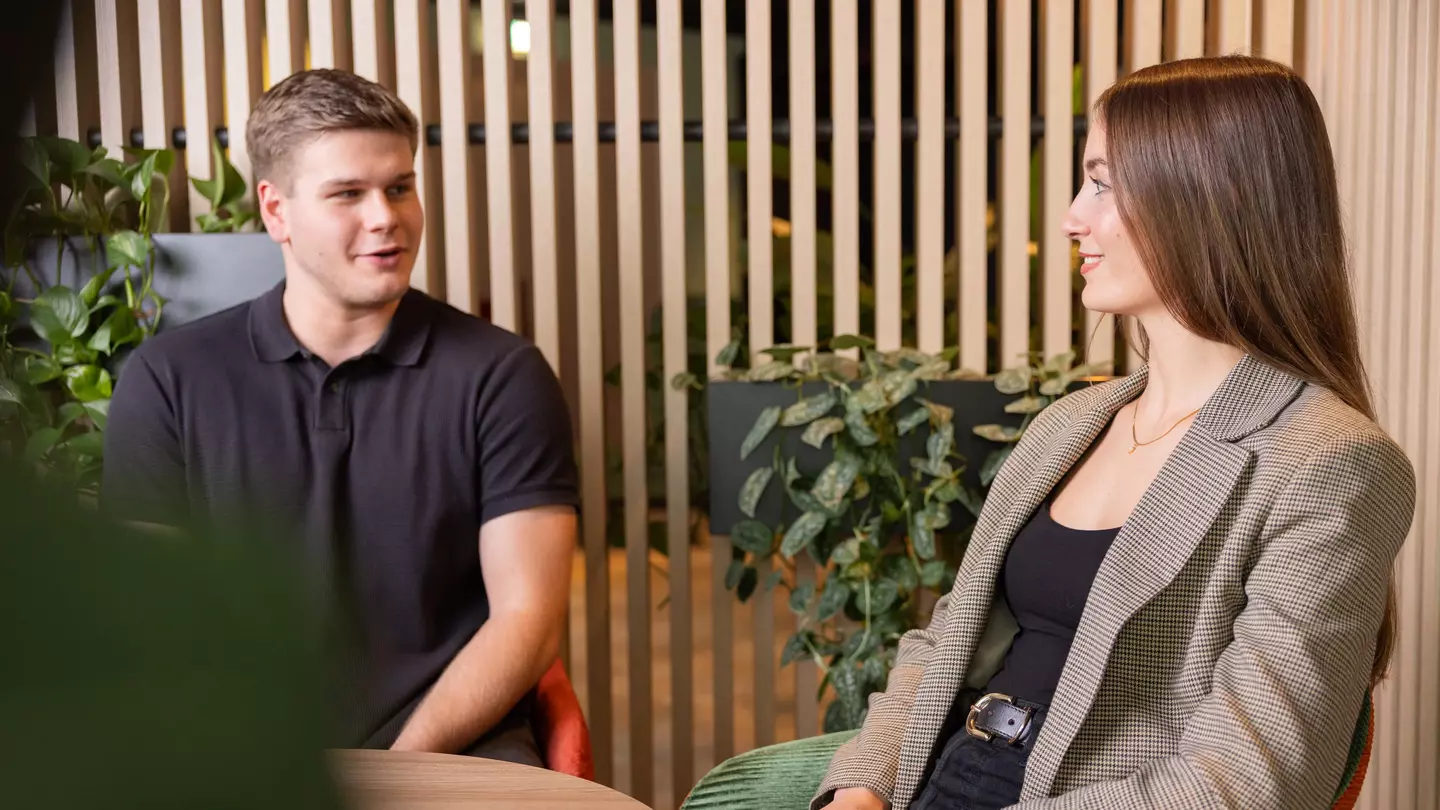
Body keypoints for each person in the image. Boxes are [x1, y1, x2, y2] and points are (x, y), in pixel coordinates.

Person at [817, 55, 1416, 810]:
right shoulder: (1071, 423)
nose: (1072, 216)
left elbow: (1248, 783)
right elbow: (945, 640)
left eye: (1102, 183)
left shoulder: (1330, 461)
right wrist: (862, 788)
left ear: (1211, 196)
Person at [101, 69, 579, 767]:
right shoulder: (168, 379)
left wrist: (400, 769)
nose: (385, 216)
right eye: (347, 194)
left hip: (453, 752)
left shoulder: (501, 376)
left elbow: (526, 621)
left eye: (399, 186)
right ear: (276, 211)